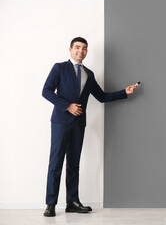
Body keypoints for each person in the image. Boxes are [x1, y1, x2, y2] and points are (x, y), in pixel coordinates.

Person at [42, 37, 137, 217]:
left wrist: (125, 92)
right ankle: (51, 204)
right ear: (70, 49)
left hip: (79, 124)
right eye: (77, 47)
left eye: (84, 48)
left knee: (74, 164)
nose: (81, 51)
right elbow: (46, 91)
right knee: (55, 163)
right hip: (61, 122)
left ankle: (72, 202)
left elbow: (101, 96)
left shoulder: (89, 74)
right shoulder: (59, 68)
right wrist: (67, 106)